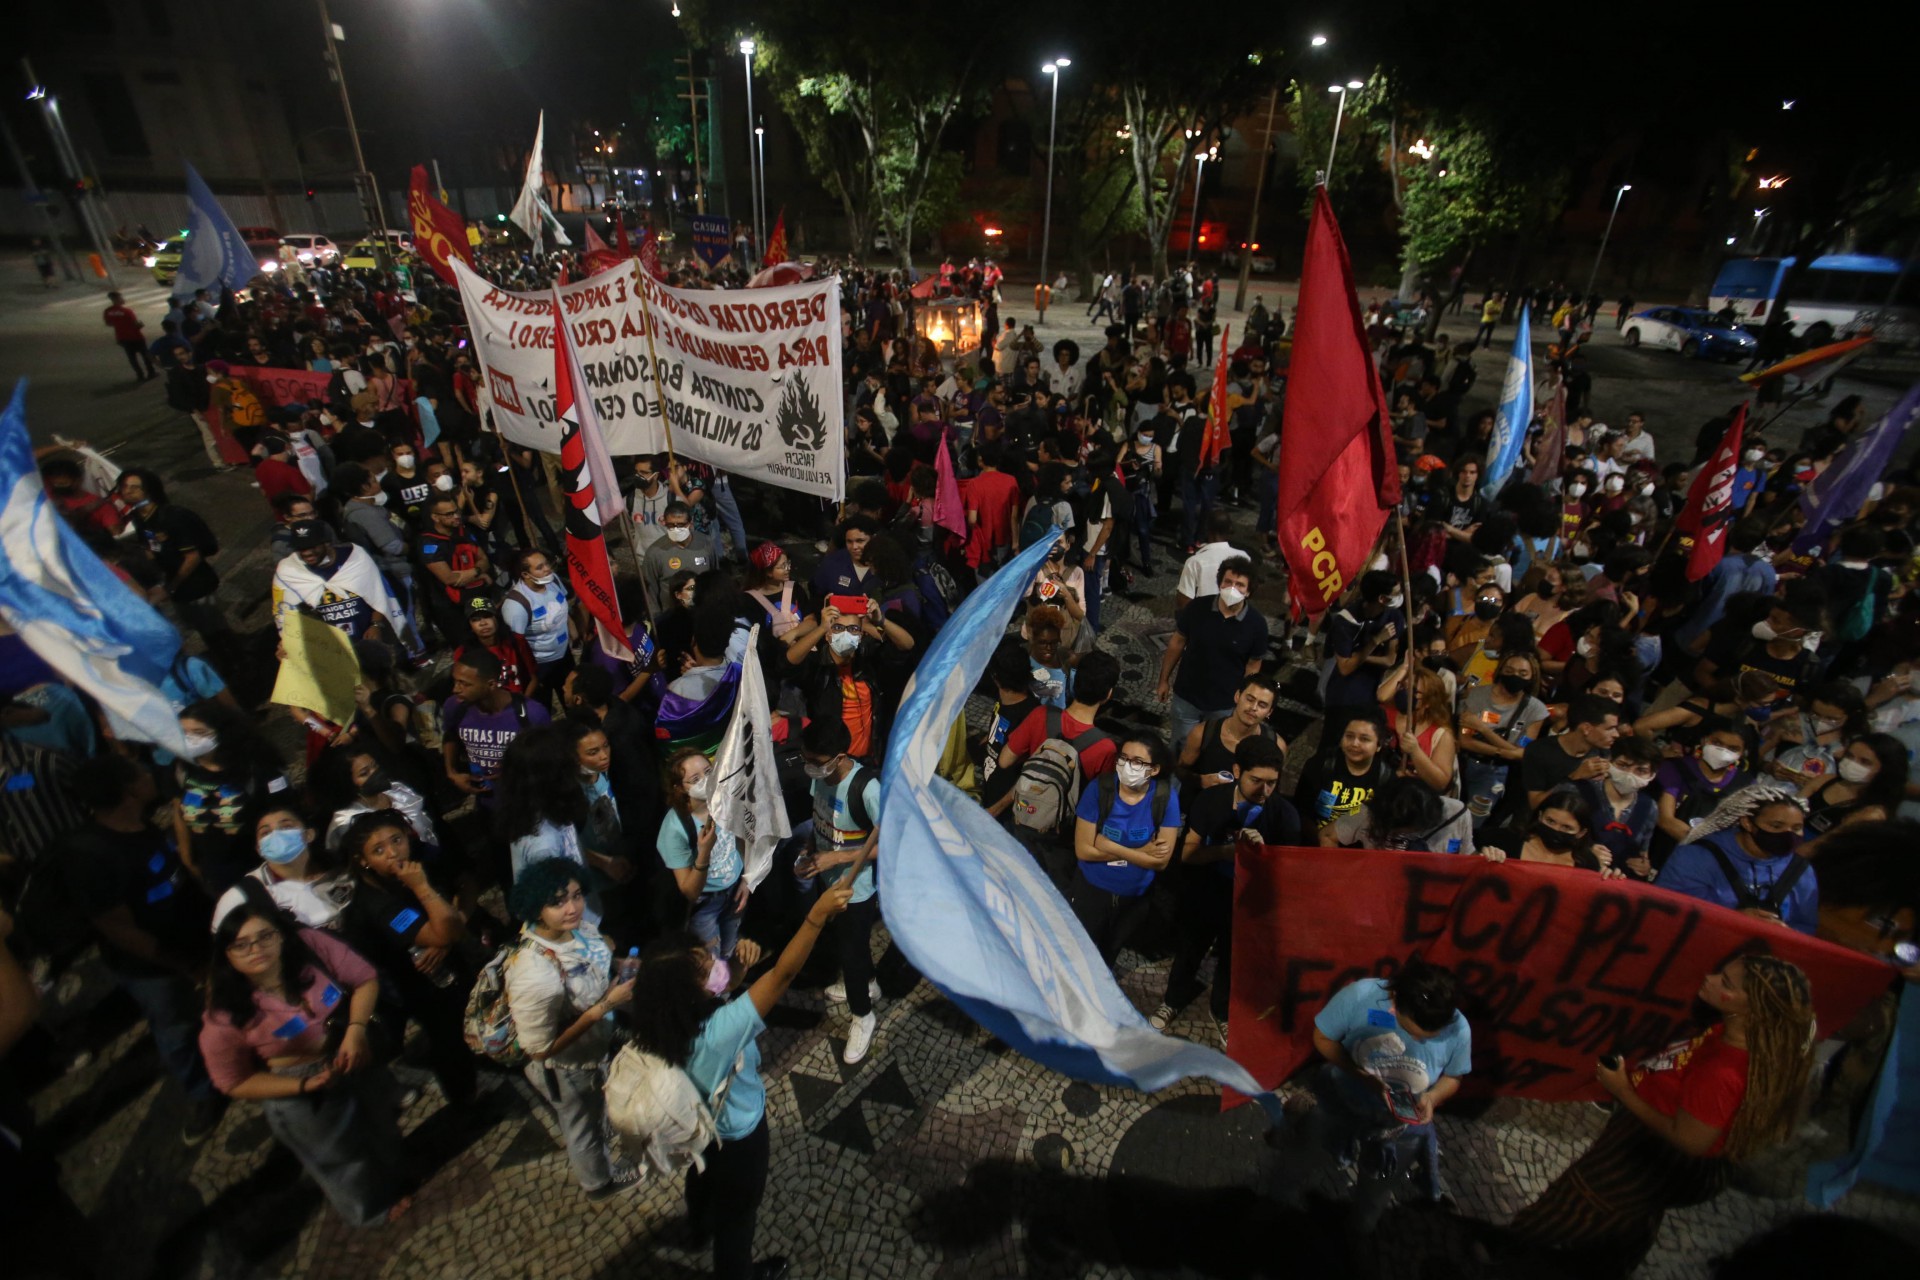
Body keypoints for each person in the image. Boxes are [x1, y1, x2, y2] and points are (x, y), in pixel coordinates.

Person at [1502, 956, 1816, 1278]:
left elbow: (1689, 1140)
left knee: (1572, 1208)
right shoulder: (1744, 1038)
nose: (1710, 978)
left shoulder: (1722, 1073)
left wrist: (1622, 1091)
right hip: (1657, 1161)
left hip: (1649, 1157)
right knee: (1628, 1223)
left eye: (1727, 984)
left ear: (1754, 1009)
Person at [626, 882, 854, 1280]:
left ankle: (697, 1228)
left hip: (701, 1129)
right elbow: (782, 976)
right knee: (738, 1222)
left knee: (703, 1178)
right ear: (689, 991)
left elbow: (719, 992)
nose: (716, 963)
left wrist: (739, 974)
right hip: (739, 1137)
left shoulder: (663, 1020)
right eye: (704, 967)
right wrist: (816, 916)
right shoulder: (718, 1034)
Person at [198, 886, 412, 1226]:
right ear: (227, 955)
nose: (257, 949)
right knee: (340, 1155)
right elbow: (232, 1081)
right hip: (298, 1086)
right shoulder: (225, 1016)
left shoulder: (309, 946)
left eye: (265, 936)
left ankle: (397, 1173)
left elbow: (364, 978)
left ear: (281, 935)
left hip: (351, 1052)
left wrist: (355, 1031)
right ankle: (370, 1211)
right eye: (242, 945)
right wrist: (304, 1085)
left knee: (380, 1118)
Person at [57, 754, 227, 1144]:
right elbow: (121, 930)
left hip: (189, 940)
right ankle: (202, 1094)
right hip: (153, 967)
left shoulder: (137, 826)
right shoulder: (93, 857)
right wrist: (184, 965)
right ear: (129, 790)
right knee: (176, 1029)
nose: (151, 774)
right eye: (141, 773)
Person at [502, 857, 638, 1200]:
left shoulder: (576, 928)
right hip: (566, 1068)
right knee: (582, 1127)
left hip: (594, 1051)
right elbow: (539, 1049)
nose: (572, 907)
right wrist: (606, 1005)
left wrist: (619, 965)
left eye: (576, 895)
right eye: (557, 901)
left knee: (593, 1114)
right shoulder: (533, 974)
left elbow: (594, 959)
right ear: (535, 907)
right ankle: (598, 1183)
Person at [336, 810, 479, 1107]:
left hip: (445, 963)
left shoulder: (421, 855)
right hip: (405, 982)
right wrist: (422, 888)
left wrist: (455, 924)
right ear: (363, 861)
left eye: (397, 840)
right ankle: (466, 1101)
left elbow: (466, 881)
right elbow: (442, 934)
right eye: (378, 850)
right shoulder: (377, 903)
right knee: (447, 1037)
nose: (393, 853)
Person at [1154, 736, 1295, 1032]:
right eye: (1256, 780)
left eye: (1272, 783)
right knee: (1190, 951)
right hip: (1207, 893)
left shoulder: (1284, 816)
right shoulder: (1210, 801)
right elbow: (1189, 855)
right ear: (1237, 770)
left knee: (1233, 959)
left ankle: (1221, 1011)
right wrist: (1228, 852)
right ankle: (1173, 999)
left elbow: (1286, 872)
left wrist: (1262, 855)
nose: (1264, 791)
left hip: (1248, 902)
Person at [1286, 959, 1471, 1165]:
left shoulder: (1459, 1029)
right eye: (1410, 1031)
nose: (1417, 1041)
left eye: (1430, 1036)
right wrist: (1362, 1076)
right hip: (1342, 1094)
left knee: (1377, 1171)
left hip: (1395, 1118)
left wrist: (1433, 1097)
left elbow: (1454, 1076)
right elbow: (1322, 1038)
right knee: (1319, 1147)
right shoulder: (1359, 996)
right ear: (1394, 1000)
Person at [795, 717, 885, 1065]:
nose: (811, 769)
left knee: (851, 949)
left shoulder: (867, 789)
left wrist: (840, 857)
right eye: (807, 760)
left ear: (840, 755)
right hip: (828, 879)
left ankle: (863, 1014)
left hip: (856, 889)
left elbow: (888, 842)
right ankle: (865, 983)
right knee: (848, 944)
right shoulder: (820, 778)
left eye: (816, 763)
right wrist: (809, 850)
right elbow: (819, 820)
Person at [1068, 735, 1181, 967]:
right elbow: (1083, 851)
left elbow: (1160, 862)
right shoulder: (1100, 789)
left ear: (1155, 769)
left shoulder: (1165, 798)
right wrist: (1142, 851)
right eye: (1124, 758)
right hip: (1092, 889)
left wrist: (1108, 845)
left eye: (1138, 761)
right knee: (1079, 949)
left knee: (1111, 949)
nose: (1128, 766)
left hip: (1134, 896)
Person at [1656, 793, 1817, 933]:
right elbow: (1668, 910)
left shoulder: (1800, 870)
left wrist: (1783, 933)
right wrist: (1732, 920)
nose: (1788, 834)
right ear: (1747, 823)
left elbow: (1806, 925)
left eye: (1796, 828)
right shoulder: (1696, 856)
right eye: (1776, 826)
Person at [1156, 556, 1270, 750]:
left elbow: (1253, 665)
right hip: (1187, 695)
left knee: (1214, 748)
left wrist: (1244, 699)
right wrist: (1163, 679)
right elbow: (1177, 642)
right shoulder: (1198, 607)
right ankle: (1177, 779)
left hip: (1225, 703)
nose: (1232, 588)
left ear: (1249, 591)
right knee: (1181, 745)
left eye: (1240, 585)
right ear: (1219, 583)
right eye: (1228, 582)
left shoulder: (1257, 625)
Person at [657, 747, 747, 961]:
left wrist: (747, 878)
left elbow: (742, 837)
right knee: (711, 963)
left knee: (730, 949)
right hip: (705, 905)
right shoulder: (674, 829)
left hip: (735, 893)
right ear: (679, 788)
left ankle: (729, 989)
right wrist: (704, 852)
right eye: (695, 779)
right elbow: (690, 891)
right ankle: (718, 995)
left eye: (709, 772)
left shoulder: (725, 800)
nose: (706, 781)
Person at [441, 649, 552, 807]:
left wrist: (518, 771)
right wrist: (452, 773)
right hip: (487, 804)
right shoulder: (455, 706)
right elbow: (450, 735)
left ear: (491, 684)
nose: (456, 689)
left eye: (465, 684)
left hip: (528, 804)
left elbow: (551, 760)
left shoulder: (531, 714)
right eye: (455, 681)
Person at [1458, 650, 1549, 825]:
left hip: (1495, 772)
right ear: (1500, 671)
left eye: (1523, 673)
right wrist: (1503, 750)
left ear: (1532, 676)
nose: (1515, 676)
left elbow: (1522, 753)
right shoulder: (1477, 695)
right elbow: (1465, 740)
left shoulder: (1535, 710)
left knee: (1473, 821)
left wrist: (1483, 729)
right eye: (1509, 671)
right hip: (1465, 764)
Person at [1577, 734, 1663, 879]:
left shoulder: (1649, 807)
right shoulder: (1579, 792)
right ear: (1610, 761)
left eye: (1640, 770)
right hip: (1576, 877)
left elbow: (1643, 853)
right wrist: (1584, 851)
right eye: (1623, 766)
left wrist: (1644, 866)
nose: (1629, 775)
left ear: (1652, 775)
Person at [1177, 672, 1281, 790]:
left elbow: (1273, 789)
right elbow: (1180, 770)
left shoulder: (1276, 745)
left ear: (1269, 712)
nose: (1254, 708)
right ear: (1237, 696)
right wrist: (1201, 780)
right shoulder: (1202, 733)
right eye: (1249, 699)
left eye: (1262, 705)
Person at [1321, 774, 1474, 853]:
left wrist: (1491, 856)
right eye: (1406, 833)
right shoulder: (1366, 813)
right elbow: (1327, 835)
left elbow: (1467, 854)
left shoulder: (1457, 814)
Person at [1295, 711, 1395, 831]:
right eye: (1349, 736)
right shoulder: (1321, 764)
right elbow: (1301, 811)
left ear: (1379, 745)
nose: (1354, 743)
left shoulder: (1386, 777)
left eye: (1364, 739)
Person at [501, 548, 577, 694]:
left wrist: (573, 629)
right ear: (525, 574)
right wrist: (533, 675)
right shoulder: (516, 605)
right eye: (539, 567)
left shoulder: (553, 580)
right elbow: (518, 643)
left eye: (546, 564)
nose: (547, 569)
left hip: (564, 654)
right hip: (540, 664)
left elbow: (563, 607)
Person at [104, 290, 156, 381]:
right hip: (136, 337)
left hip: (122, 337)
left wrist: (119, 324)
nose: (123, 299)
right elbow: (136, 324)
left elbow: (108, 323)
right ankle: (151, 373)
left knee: (132, 358)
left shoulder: (108, 311)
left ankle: (140, 375)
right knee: (145, 355)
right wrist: (141, 325)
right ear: (116, 299)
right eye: (121, 297)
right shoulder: (127, 311)